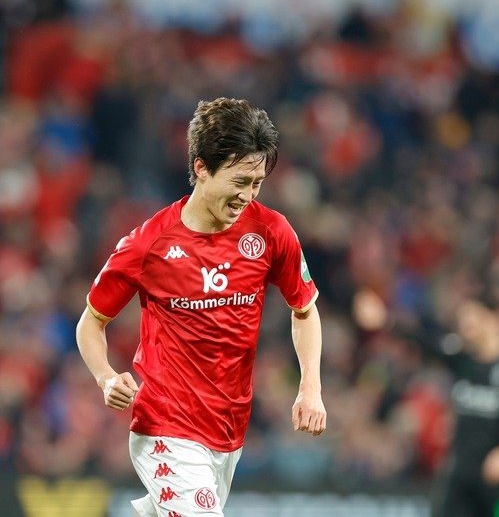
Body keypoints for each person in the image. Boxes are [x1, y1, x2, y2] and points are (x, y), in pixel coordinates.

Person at [76, 97, 327, 516]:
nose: (247, 195)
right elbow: (90, 322)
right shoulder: (149, 244)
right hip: (165, 425)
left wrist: (310, 388)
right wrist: (105, 377)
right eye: (239, 181)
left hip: (228, 432)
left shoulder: (271, 231)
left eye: (257, 183)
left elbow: (305, 310)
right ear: (201, 167)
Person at [426, 290, 499, 517]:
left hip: (498, 478)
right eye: (463, 320)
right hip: (460, 476)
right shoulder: (462, 360)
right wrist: (388, 322)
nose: (466, 326)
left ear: (497, 317)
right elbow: (426, 343)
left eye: (474, 318)